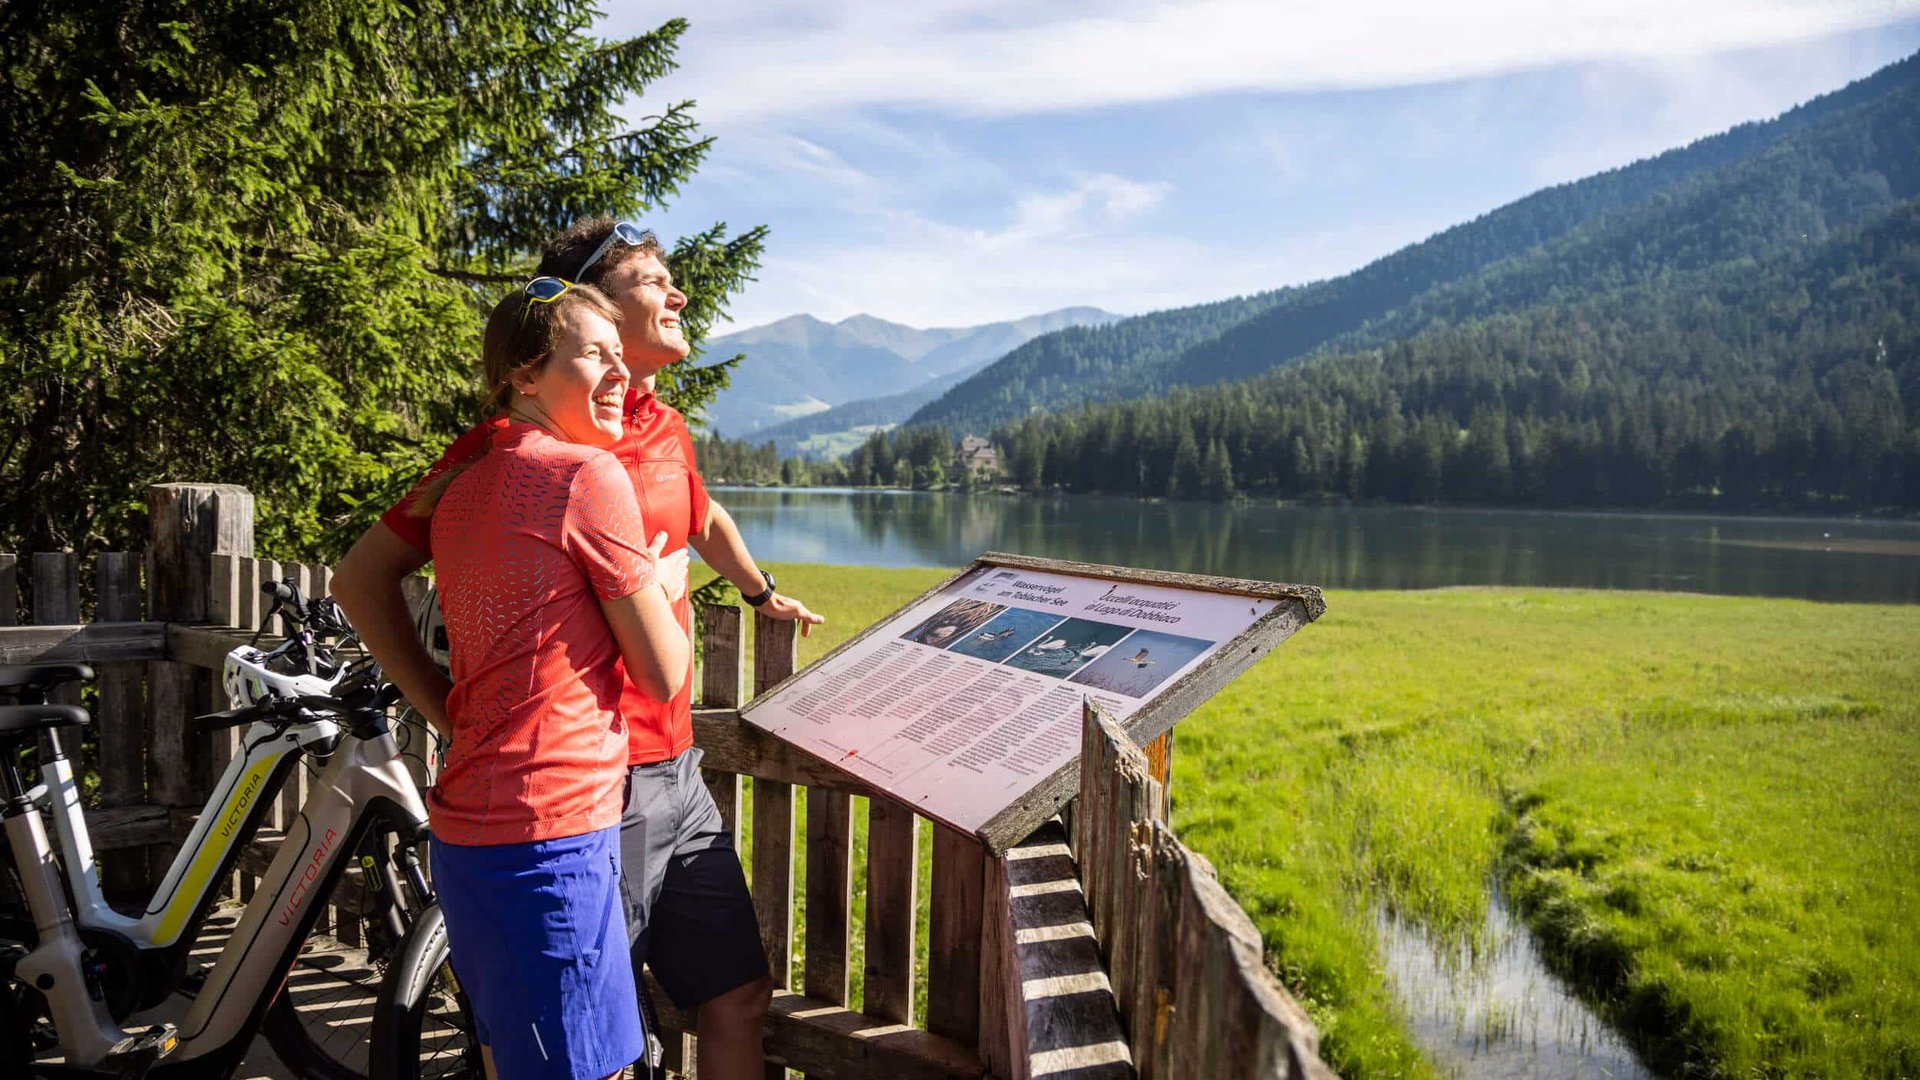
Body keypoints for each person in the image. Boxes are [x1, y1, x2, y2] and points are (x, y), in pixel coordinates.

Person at [335, 219, 819, 1079]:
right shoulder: (509, 449)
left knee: (736, 992)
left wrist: (757, 589)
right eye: (650, 280)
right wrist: (439, 702)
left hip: (676, 766)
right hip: (586, 787)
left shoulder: (664, 427)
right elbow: (365, 577)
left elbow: (701, 516)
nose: (677, 295)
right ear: (585, 306)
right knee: (580, 1042)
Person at [423, 278, 688, 1080]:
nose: (620, 376)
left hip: (469, 832)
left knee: (511, 1057)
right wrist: (665, 581)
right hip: (555, 833)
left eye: (621, 357)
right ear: (525, 375)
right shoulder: (585, 476)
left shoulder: (462, 491)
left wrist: (443, 712)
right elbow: (664, 672)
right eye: (594, 357)